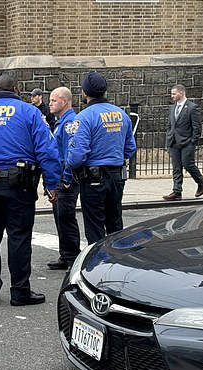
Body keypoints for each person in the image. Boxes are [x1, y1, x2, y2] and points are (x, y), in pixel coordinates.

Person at [0, 74, 60, 306]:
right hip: (20, 186)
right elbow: (47, 149)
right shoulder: (30, 112)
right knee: (19, 239)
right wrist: (52, 183)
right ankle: (19, 292)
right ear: (16, 89)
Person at [66, 71, 137, 244]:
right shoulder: (121, 114)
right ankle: (117, 263)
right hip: (116, 176)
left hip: (93, 179)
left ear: (84, 92)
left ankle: (98, 268)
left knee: (95, 227)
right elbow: (130, 148)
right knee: (115, 223)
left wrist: (69, 167)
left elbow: (77, 156)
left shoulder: (84, 117)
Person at [47, 87, 80, 270]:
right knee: (60, 216)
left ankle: (72, 256)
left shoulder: (70, 124)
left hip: (65, 176)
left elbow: (70, 153)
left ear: (65, 102)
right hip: (58, 174)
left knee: (66, 216)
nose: (50, 103)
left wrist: (66, 179)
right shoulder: (61, 122)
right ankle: (65, 254)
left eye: (54, 100)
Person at [163, 84, 203, 200]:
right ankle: (177, 191)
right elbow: (170, 124)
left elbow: (197, 126)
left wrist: (193, 141)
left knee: (188, 164)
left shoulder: (192, 107)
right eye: (172, 93)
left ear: (181, 93)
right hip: (174, 141)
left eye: (174, 93)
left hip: (187, 142)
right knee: (176, 167)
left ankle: (201, 182)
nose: (172, 96)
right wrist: (169, 135)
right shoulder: (172, 108)